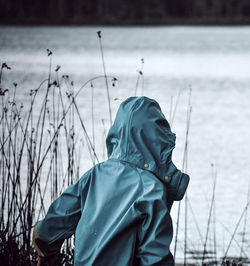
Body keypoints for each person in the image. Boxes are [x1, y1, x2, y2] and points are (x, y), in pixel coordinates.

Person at [32, 96, 189, 265]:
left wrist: (44, 250)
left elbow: (57, 220)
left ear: (116, 133)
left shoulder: (95, 175)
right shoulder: (152, 189)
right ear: (159, 139)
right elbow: (155, 257)